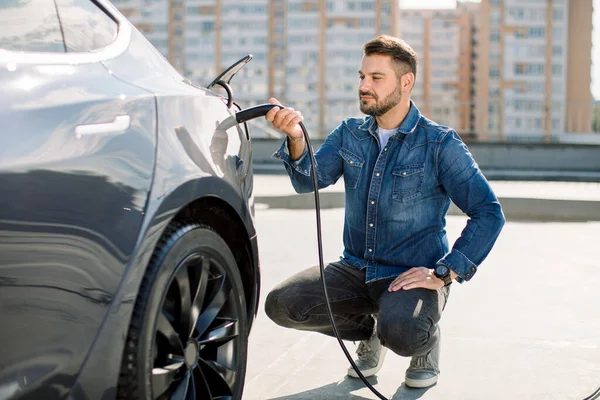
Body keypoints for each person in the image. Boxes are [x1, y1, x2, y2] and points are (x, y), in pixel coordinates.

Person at [263, 35, 505, 389]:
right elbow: (308, 182)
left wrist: (445, 272)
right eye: (362, 76)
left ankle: (424, 341)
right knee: (282, 305)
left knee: (404, 332)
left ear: (405, 82)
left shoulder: (440, 143)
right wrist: (296, 138)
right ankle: (373, 332)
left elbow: (488, 212)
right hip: (355, 268)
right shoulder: (349, 134)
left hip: (411, 275)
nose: (364, 86)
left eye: (376, 78)